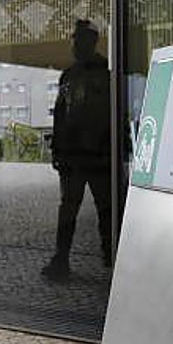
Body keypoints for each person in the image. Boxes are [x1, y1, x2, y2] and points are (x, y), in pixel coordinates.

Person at [42, 19, 112, 281]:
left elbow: (107, 117)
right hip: (74, 157)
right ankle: (61, 259)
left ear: (89, 42)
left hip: (97, 156)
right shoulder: (69, 75)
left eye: (78, 38)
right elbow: (60, 116)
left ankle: (110, 255)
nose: (73, 43)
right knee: (69, 209)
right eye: (74, 38)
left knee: (105, 208)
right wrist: (58, 151)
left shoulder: (104, 75)